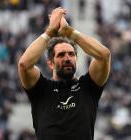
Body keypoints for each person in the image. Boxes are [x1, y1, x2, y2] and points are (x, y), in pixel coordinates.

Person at [18, 7, 111, 140]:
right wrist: (50, 32)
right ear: (50, 63)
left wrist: (70, 32)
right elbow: (24, 64)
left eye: (71, 54)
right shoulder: (41, 89)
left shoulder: (88, 87)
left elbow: (104, 56)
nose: (67, 58)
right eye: (61, 55)